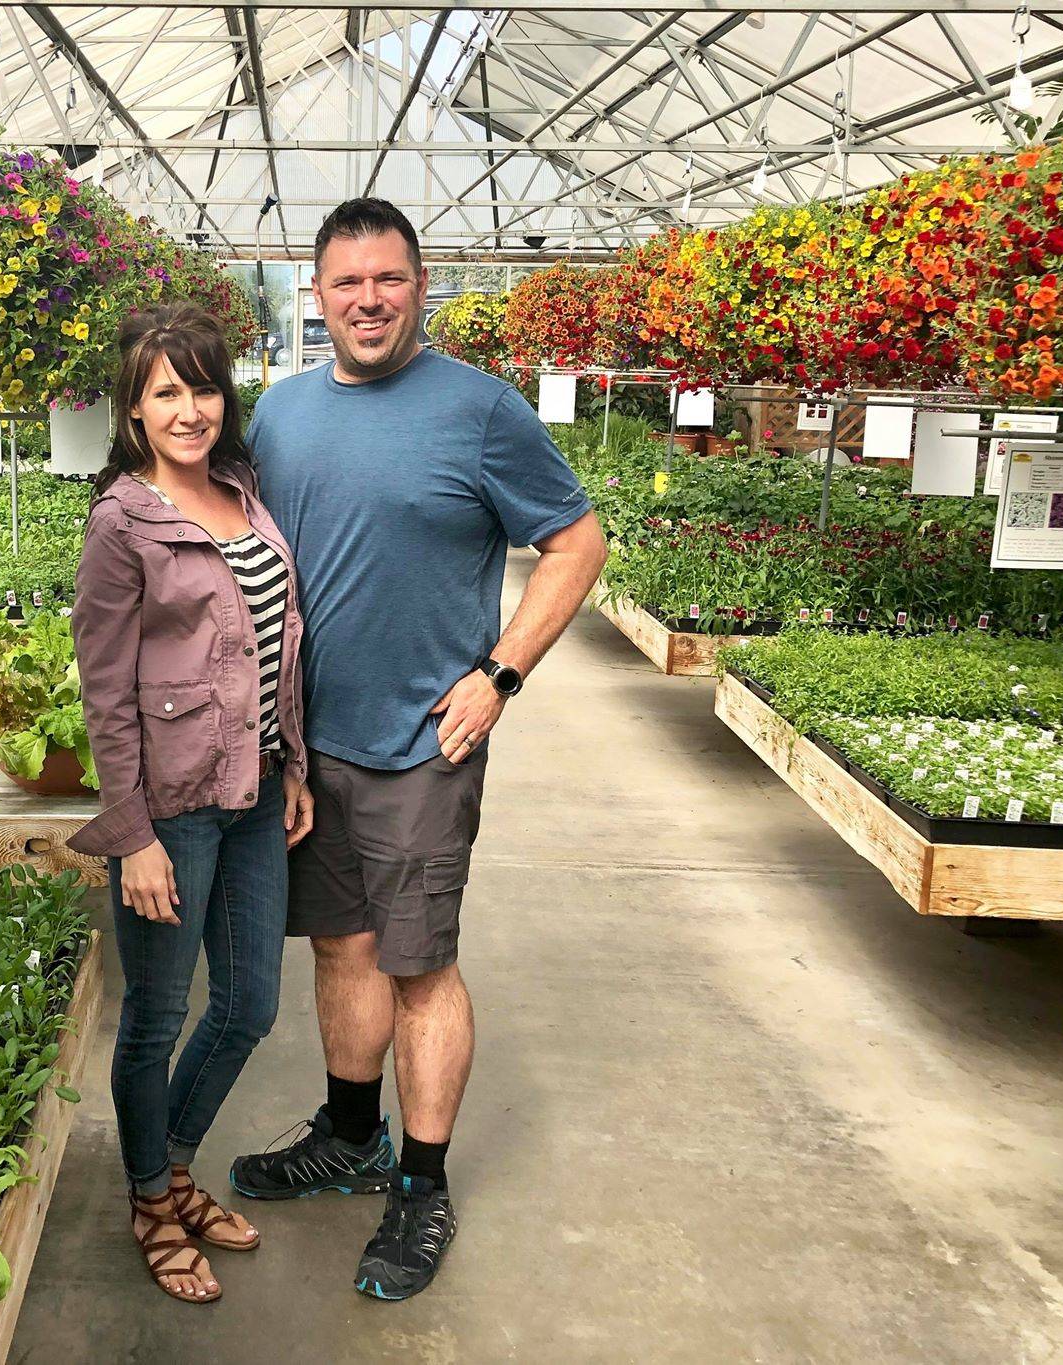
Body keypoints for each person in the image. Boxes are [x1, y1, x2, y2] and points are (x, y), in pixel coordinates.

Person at [229, 199, 608, 1301]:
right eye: (345, 282)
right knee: (338, 948)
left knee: (417, 965)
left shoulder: (480, 411)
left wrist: (498, 676)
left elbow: (575, 543)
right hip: (307, 748)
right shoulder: (282, 413)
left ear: (420, 283)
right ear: (315, 292)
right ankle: (348, 1138)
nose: (367, 299)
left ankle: (419, 1183)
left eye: (387, 279)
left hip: (418, 748)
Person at [68, 303, 316, 1304]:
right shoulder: (121, 522)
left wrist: (291, 762)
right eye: (164, 390)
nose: (188, 408)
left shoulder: (242, 496)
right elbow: (104, 688)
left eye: (201, 385)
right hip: (171, 808)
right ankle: (148, 1202)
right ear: (132, 408)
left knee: (249, 1004)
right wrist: (133, 839)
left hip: (253, 791)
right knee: (158, 1015)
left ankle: (169, 1173)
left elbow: (276, 644)